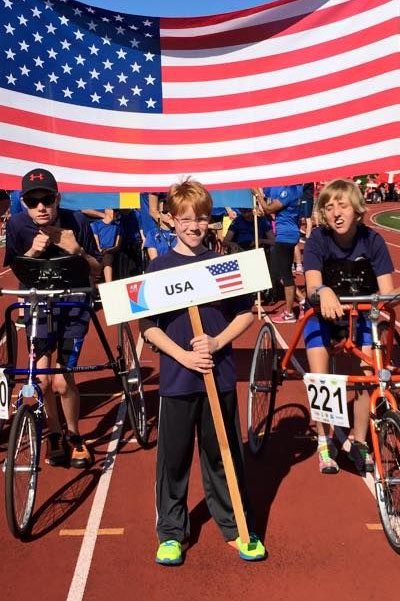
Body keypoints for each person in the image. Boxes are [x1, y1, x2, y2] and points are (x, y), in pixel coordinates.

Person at [139, 178, 265, 565]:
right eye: (186, 219)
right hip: (178, 379)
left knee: (221, 454)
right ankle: (172, 533)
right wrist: (183, 355)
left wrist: (215, 343)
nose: (195, 226)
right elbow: (148, 326)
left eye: (202, 219)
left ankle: (235, 525)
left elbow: (246, 313)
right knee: (173, 459)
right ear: (171, 220)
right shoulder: (158, 266)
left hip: (219, 373)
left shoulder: (225, 264)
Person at [4, 168, 101, 468]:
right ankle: (55, 435)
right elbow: (15, 269)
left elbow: (96, 269)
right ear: (23, 203)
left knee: (61, 380)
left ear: (57, 198)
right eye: (33, 201)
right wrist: (32, 253)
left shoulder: (77, 221)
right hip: (38, 303)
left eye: (46, 199)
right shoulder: (19, 225)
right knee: (43, 382)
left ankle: (74, 435)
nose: (41, 207)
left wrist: (78, 251)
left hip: (73, 302)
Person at [303, 178, 394, 474]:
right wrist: (323, 292)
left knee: (366, 375)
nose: (336, 213)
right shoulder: (318, 239)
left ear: (357, 209)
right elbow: (312, 284)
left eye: (342, 205)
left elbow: (387, 290)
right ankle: (324, 438)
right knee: (320, 374)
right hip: (321, 315)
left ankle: (359, 439)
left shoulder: (373, 241)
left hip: (361, 312)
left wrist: (382, 309)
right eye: (329, 207)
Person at [256, 185, 306, 322]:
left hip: (286, 236)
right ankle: (302, 302)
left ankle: (291, 312)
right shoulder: (292, 190)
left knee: (283, 275)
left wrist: (257, 194)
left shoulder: (290, 191)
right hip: (287, 234)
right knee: (283, 275)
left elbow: (268, 208)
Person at [90, 208, 121, 282]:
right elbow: (95, 240)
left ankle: (108, 283)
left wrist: (108, 250)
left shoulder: (117, 227)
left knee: (108, 258)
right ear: (107, 211)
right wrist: (100, 250)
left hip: (109, 251)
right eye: (114, 211)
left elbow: (117, 245)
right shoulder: (96, 224)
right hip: (97, 251)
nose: (116, 213)